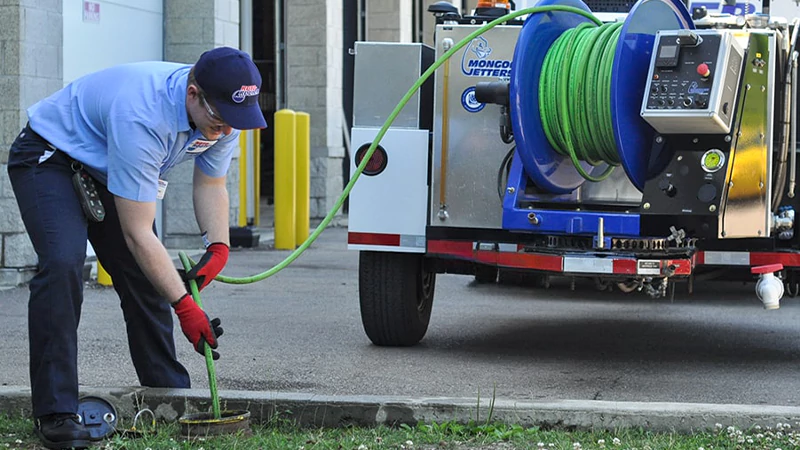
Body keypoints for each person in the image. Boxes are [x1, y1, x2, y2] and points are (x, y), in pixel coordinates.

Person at [6, 46, 267, 450]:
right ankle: (55, 413)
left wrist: (218, 248)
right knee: (63, 265)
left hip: (107, 166)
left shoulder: (223, 115)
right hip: (51, 158)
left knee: (147, 279)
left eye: (236, 122)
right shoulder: (144, 115)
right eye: (219, 119)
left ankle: (168, 395)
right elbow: (138, 233)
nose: (225, 130)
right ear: (193, 94)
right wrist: (185, 307)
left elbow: (212, 184)